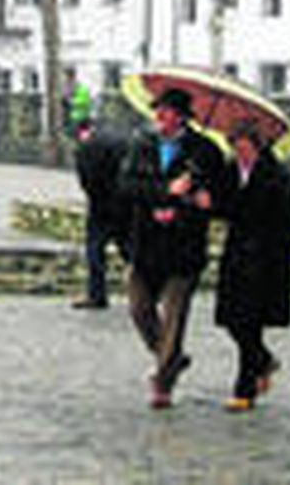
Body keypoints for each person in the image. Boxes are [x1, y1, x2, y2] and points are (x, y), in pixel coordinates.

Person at [121, 87, 225, 409]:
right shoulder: (142, 144)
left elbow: (217, 194)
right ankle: (171, 357)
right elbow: (127, 185)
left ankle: (163, 383)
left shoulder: (205, 151)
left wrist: (193, 202)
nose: (159, 118)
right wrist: (164, 192)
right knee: (139, 308)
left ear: (181, 116)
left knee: (175, 316)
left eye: (165, 112)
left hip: (183, 246)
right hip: (146, 243)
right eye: (157, 112)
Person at [211, 122, 290, 413]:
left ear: (256, 145)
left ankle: (245, 388)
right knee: (234, 320)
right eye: (235, 145)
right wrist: (207, 200)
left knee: (250, 321)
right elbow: (225, 206)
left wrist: (278, 249)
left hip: (265, 259)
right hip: (237, 255)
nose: (239, 152)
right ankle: (263, 361)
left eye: (243, 146)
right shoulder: (229, 171)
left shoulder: (275, 175)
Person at [72, 117, 130, 309]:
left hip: (100, 207)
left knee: (95, 250)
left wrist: (96, 198)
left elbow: (86, 181)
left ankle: (97, 295)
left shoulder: (85, 148)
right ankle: (149, 289)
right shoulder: (121, 140)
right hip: (125, 204)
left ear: (81, 132)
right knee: (129, 249)